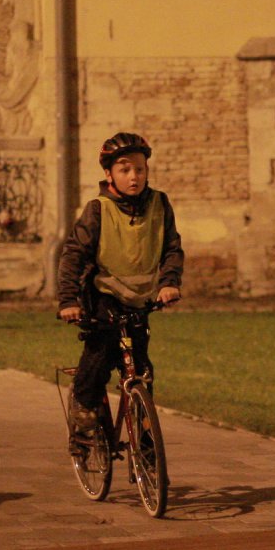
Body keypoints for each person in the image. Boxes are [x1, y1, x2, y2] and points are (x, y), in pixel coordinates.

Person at [57, 132, 184, 437]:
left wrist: (169, 283)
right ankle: (84, 404)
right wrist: (68, 301)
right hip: (103, 296)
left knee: (142, 370)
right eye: (125, 169)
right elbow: (73, 255)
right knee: (100, 354)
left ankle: (145, 440)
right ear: (109, 174)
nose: (134, 176)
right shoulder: (98, 209)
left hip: (140, 299)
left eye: (140, 169)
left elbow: (172, 248)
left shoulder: (159, 204)